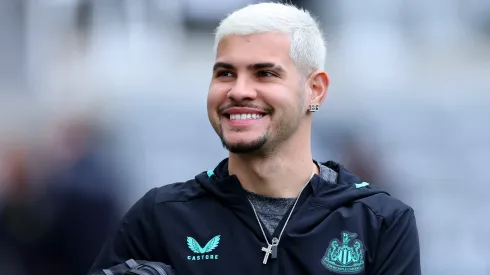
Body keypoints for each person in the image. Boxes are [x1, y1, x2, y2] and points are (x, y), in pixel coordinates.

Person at [89, 3, 421, 274]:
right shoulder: (158, 217)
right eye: (225, 73)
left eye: (265, 73)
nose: (239, 91)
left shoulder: (379, 221)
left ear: (314, 89)